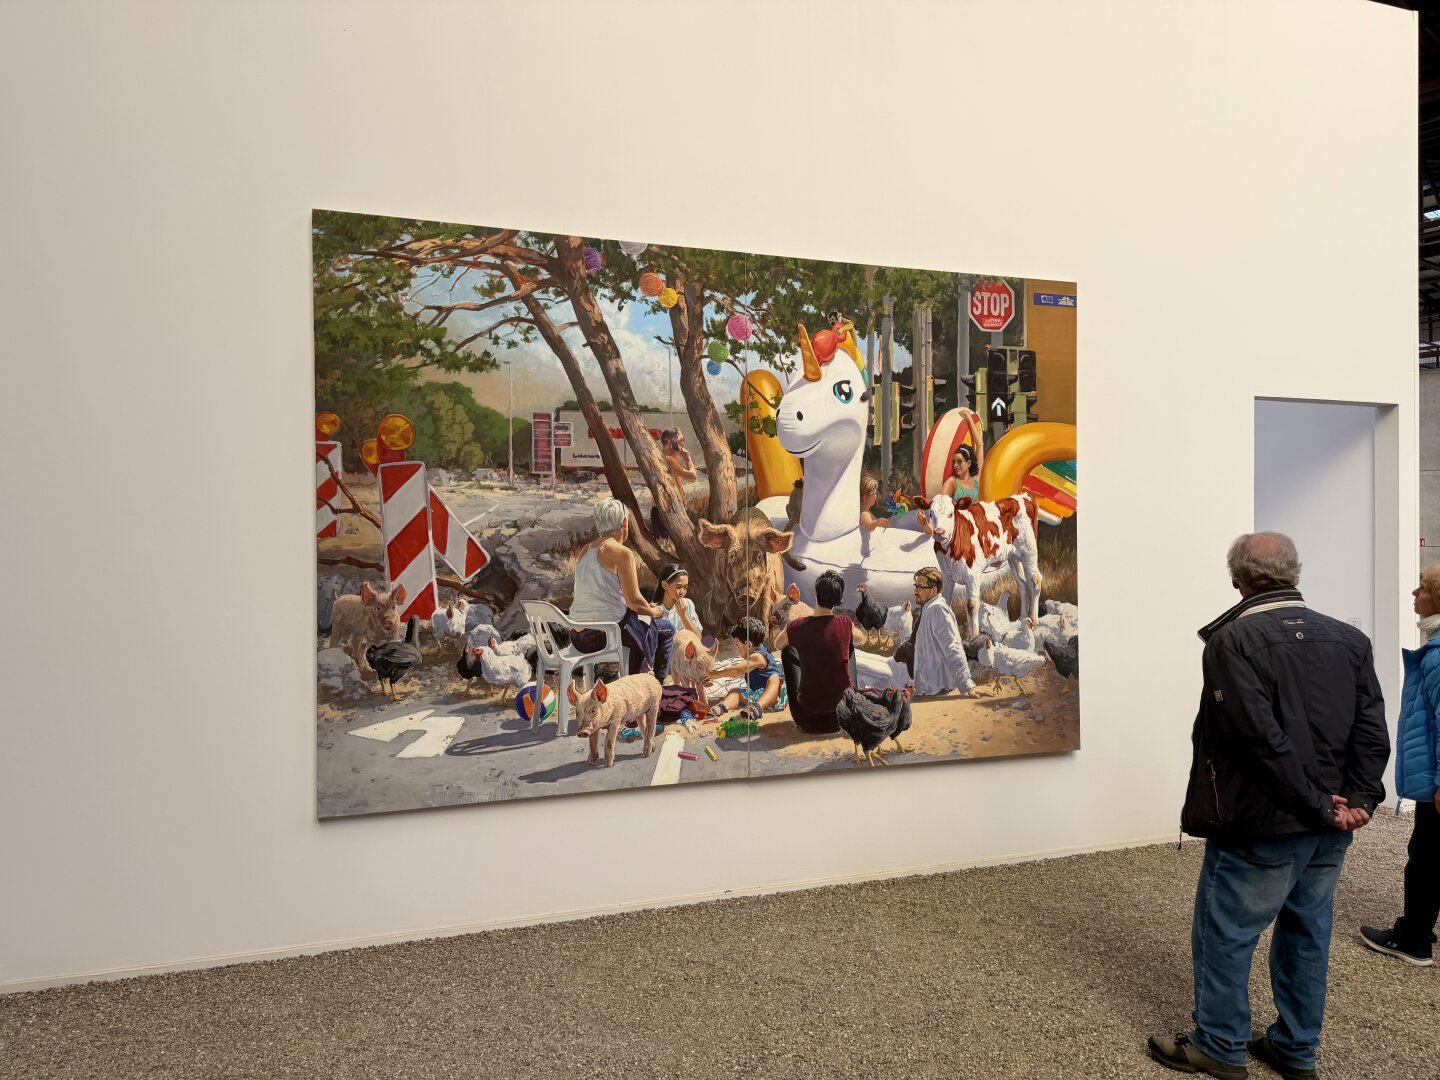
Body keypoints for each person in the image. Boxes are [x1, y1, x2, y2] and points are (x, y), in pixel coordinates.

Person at [1148, 532, 1389, 1080]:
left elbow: (1259, 740)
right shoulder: (1349, 640)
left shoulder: (1232, 641)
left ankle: (1219, 1045)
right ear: (1294, 572)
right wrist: (1357, 801)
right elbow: (1372, 732)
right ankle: (1295, 1050)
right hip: (1329, 825)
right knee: (1308, 931)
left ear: (1237, 579)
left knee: (1226, 932)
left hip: (1265, 822)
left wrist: (1322, 805)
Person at [1359, 562, 1440, 967]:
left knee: (1426, 858)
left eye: (1422, 587)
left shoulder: (1438, 656)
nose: (1414, 593)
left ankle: (1413, 939)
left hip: (1435, 782)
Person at [569, 499, 675, 681]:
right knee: (665, 629)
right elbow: (634, 601)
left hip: (578, 636)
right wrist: (654, 611)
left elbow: (601, 595)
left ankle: (632, 681)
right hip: (602, 636)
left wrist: (642, 608)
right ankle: (656, 684)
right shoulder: (622, 553)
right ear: (625, 523)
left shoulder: (585, 550)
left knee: (634, 625)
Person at [779, 570, 868, 734]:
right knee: (848, 644)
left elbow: (778, 644)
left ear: (816, 594)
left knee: (788, 650)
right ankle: (850, 698)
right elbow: (861, 639)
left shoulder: (797, 625)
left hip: (808, 720)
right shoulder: (845, 623)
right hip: (844, 717)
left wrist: (794, 631)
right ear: (839, 599)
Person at [893, 567, 977, 697]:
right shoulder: (929, 609)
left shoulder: (938, 610)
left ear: (933, 590)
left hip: (938, 689)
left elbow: (953, 647)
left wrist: (967, 685)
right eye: (915, 586)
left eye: (920, 587)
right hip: (929, 688)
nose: (915, 591)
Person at [716, 616, 786, 720]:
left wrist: (716, 674)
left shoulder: (758, 656)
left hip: (779, 695)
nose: (737, 650)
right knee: (735, 692)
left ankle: (757, 708)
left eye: (738, 646)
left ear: (748, 645)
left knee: (774, 678)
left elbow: (738, 669)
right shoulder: (753, 656)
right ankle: (721, 708)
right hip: (758, 695)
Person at [648, 429, 697, 542]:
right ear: (671, 442)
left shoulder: (661, 457)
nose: (683, 444)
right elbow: (692, 477)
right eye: (680, 440)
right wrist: (688, 458)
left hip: (661, 507)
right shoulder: (669, 460)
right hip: (669, 508)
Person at [654, 563, 715, 651]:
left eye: (685, 587)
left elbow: (698, 638)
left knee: (709, 641)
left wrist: (683, 616)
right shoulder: (656, 609)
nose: (682, 592)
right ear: (665, 585)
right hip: (667, 653)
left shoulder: (688, 604)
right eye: (678, 587)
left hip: (687, 653)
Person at [780, 478, 807, 572]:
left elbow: (790, 507)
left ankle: (787, 556)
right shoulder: (801, 493)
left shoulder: (794, 492)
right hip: (797, 518)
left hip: (793, 517)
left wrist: (792, 517)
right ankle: (787, 557)